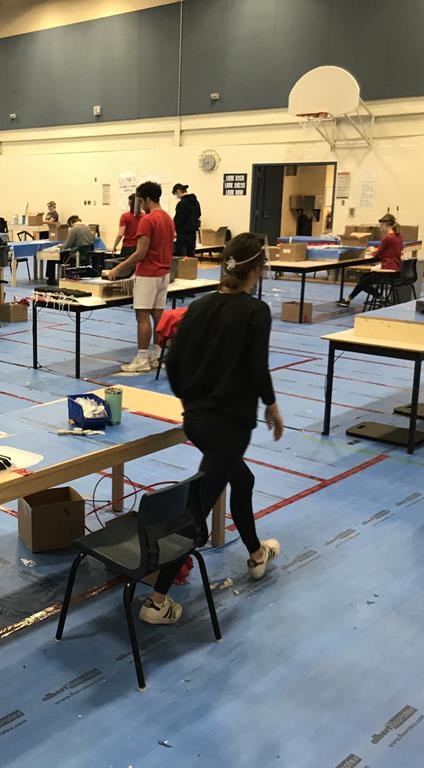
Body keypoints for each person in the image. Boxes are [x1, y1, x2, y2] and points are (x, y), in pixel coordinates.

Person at [141, 233, 285, 625]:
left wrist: (192, 403)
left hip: (198, 423)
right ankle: (156, 600)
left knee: (244, 480)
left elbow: (172, 364)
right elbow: (257, 368)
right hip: (230, 428)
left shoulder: (199, 306)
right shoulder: (255, 313)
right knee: (195, 513)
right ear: (258, 269)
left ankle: (256, 553)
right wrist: (271, 406)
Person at [103, 181, 175, 372]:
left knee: (142, 316)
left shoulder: (148, 220)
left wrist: (118, 268)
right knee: (158, 314)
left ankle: (142, 358)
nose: (140, 205)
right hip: (164, 273)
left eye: (141, 201)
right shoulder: (168, 218)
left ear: (148, 199)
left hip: (148, 273)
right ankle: (157, 355)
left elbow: (140, 253)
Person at [336, 214, 404, 308]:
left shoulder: (387, 237)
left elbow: (376, 254)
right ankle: (348, 299)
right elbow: (389, 250)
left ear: (385, 224)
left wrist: (372, 250)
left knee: (363, 282)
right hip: (396, 269)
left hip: (387, 269)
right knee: (364, 277)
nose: (379, 226)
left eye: (380, 224)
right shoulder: (399, 236)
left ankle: (380, 297)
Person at [172, 183, 201, 257]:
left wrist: (174, 231)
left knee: (181, 258)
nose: (177, 197)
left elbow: (178, 220)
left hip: (183, 235)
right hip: (193, 234)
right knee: (191, 257)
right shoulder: (196, 202)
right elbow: (199, 214)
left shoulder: (182, 203)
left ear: (178, 191)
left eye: (176, 194)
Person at [112, 194, 141, 258]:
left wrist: (114, 246)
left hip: (128, 248)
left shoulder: (125, 216)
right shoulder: (145, 217)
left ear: (129, 203)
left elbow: (120, 234)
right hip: (140, 248)